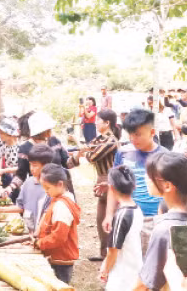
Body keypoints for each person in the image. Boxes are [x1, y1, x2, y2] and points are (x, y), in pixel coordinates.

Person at [135, 152, 187, 290]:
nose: (145, 178)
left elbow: (144, 284)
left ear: (167, 186)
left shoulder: (166, 229)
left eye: (149, 176)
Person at [103, 109, 168, 248]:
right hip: (129, 216)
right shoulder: (123, 152)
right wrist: (109, 215)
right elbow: (113, 186)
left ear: (152, 132)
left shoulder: (164, 156)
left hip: (156, 219)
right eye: (130, 134)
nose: (133, 139)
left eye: (138, 135)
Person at [69, 108, 120, 262]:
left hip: (110, 180)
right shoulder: (99, 140)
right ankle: (104, 253)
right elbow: (85, 152)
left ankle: (114, 252)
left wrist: (79, 146)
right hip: (101, 179)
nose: (95, 123)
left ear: (107, 123)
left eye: (98, 120)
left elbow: (92, 156)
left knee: (112, 218)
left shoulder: (111, 141)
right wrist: (82, 151)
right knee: (100, 219)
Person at [4, 111, 74, 202]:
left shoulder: (54, 141)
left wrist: (77, 156)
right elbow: (21, 174)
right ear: (39, 132)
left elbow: (67, 164)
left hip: (60, 187)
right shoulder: (24, 149)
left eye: (50, 130)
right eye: (47, 131)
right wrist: (10, 187)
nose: (50, 133)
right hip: (41, 190)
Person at [0, 143, 53, 234]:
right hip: (32, 233)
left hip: (43, 235)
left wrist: (36, 236)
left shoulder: (51, 188)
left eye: (35, 165)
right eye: (30, 165)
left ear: (46, 165)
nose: (31, 169)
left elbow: (47, 216)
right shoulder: (28, 183)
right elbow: (21, 207)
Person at [99, 165, 143, 290]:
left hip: (123, 273)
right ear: (133, 187)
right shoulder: (136, 209)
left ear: (111, 188)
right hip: (135, 265)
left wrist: (105, 269)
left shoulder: (122, 215)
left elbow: (113, 249)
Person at [35, 163, 81, 284]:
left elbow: (58, 238)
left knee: (59, 285)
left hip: (60, 259)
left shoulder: (62, 206)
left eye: (47, 188)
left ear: (60, 184)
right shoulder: (60, 197)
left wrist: (40, 243)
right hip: (57, 256)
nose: (46, 192)